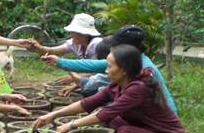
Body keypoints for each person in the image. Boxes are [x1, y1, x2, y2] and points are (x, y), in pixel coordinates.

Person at [34, 44, 187, 133]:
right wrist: (54, 114)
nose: (106, 70)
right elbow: (87, 103)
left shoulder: (138, 88)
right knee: (114, 122)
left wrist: (70, 125)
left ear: (124, 70)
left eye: (109, 66)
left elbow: (105, 113)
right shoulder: (118, 85)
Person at [41, 24, 177, 114]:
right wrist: (59, 61)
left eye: (115, 46)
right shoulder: (128, 60)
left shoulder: (144, 69)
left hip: (158, 114)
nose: (112, 49)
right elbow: (91, 65)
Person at [30, 13, 103, 58]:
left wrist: (77, 78)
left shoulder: (96, 44)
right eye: (73, 31)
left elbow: (99, 70)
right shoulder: (75, 43)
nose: (73, 34)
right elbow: (52, 51)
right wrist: (38, 47)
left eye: (77, 32)